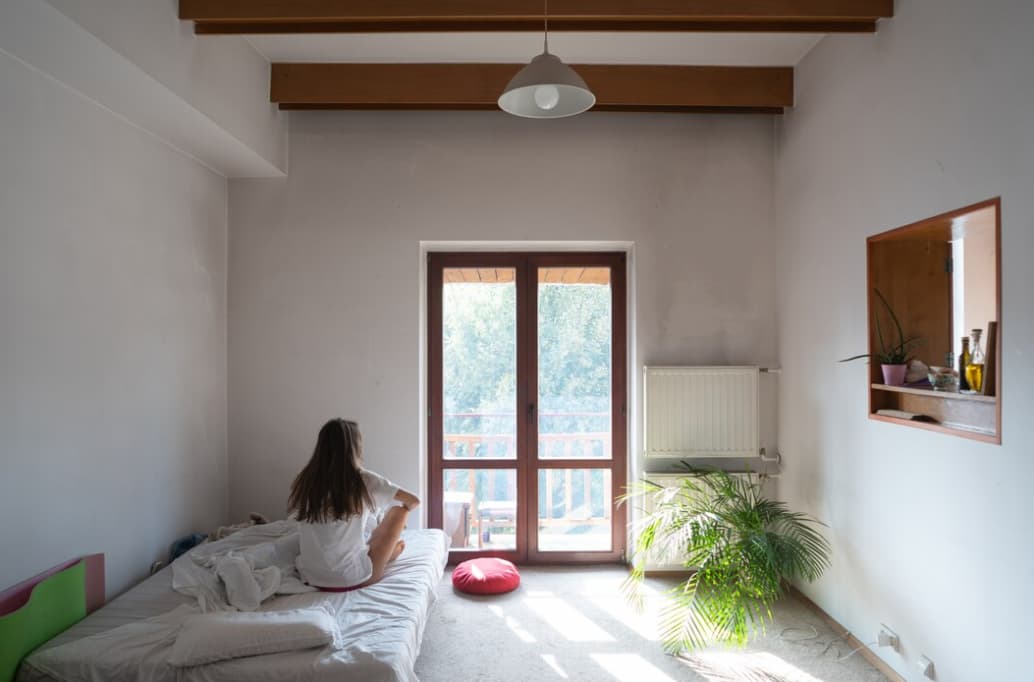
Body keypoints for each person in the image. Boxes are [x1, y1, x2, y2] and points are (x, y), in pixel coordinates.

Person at [288, 418, 420, 590]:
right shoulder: (363, 479)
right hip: (353, 578)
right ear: (355, 447)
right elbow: (414, 501)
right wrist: (399, 523)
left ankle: (385, 552)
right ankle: (386, 554)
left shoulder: (306, 479)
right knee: (398, 512)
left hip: (312, 576)